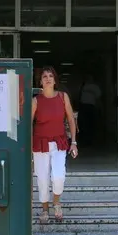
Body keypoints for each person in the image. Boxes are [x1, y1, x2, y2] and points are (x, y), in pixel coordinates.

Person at [32, 66, 78, 223]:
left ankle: (56, 203)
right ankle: (45, 210)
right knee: (42, 179)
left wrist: (74, 142)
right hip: (40, 144)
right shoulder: (36, 100)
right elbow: (27, 123)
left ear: (55, 80)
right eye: (44, 76)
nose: (47, 78)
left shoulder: (63, 97)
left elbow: (71, 119)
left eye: (50, 75)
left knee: (58, 176)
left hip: (59, 143)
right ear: (40, 81)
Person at [78, 74, 102, 146]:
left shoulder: (94, 87)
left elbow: (98, 97)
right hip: (83, 106)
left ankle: (89, 141)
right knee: (84, 124)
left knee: (90, 124)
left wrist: (99, 107)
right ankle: (84, 141)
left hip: (90, 107)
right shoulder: (83, 86)